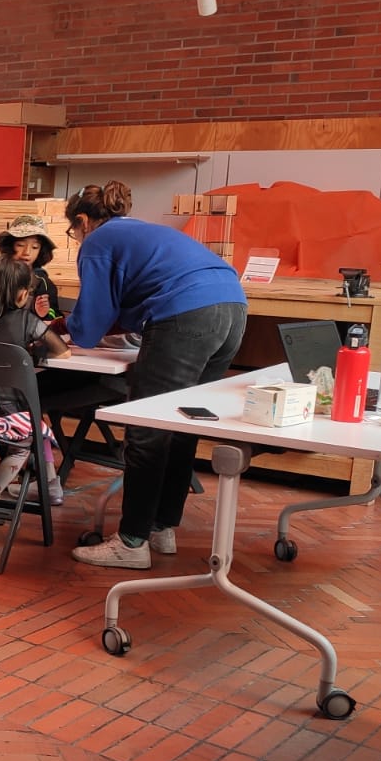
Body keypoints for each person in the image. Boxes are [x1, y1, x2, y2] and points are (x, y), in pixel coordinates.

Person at [65, 181, 246, 570]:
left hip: (188, 312)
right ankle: (161, 526)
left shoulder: (97, 241)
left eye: (73, 231)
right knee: (181, 422)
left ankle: (131, 543)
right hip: (232, 308)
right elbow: (132, 300)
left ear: (82, 221)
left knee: (147, 428)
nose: (76, 238)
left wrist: (60, 326)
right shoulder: (143, 231)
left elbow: (89, 327)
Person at [0, 256, 69, 504]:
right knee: (26, 441)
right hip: (9, 415)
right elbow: (62, 350)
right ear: (19, 294)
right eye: (27, 290)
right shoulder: (26, 321)